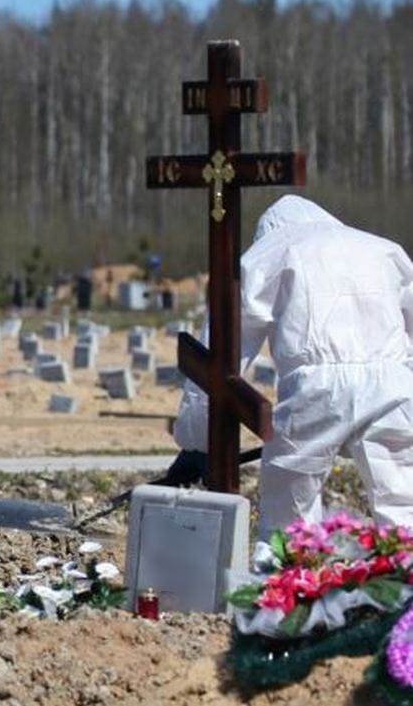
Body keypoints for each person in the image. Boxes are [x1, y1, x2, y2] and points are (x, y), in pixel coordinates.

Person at [171, 194, 413, 538]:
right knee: (403, 502)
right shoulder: (384, 249)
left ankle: (292, 571)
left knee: (290, 511)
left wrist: (198, 440)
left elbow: (220, 352)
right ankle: (404, 569)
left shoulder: (270, 253)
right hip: (394, 382)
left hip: (315, 388)